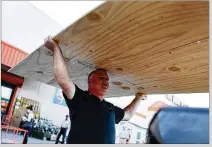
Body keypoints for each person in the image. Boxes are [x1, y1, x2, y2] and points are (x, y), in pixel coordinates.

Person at [44, 36, 146, 144]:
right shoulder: (80, 98)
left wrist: (138, 98)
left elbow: (128, 114)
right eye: (101, 78)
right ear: (90, 82)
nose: (106, 81)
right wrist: (55, 48)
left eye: (107, 79)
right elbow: (62, 79)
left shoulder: (110, 108)